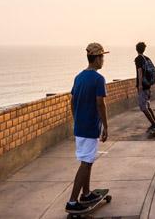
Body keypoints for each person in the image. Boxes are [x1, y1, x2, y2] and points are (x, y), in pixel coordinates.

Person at [66, 43, 108, 215]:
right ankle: (72, 201)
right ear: (97, 58)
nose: (103, 60)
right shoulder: (99, 79)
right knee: (85, 164)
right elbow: (100, 103)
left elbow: (72, 100)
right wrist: (106, 126)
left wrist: (76, 120)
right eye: (102, 57)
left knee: (88, 161)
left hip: (80, 127)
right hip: (90, 127)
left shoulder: (79, 77)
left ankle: (86, 194)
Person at [134, 42, 155, 135]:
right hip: (148, 85)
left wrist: (140, 84)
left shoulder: (138, 59)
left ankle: (154, 125)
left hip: (143, 86)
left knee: (143, 107)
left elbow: (140, 71)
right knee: (148, 106)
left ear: (136, 49)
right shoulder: (147, 58)